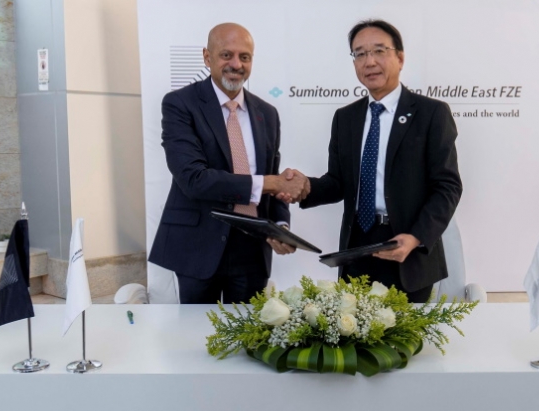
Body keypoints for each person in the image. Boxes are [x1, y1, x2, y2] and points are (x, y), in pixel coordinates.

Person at [295, 19, 462, 302]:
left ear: (400, 58)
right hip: (356, 248)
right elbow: (338, 183)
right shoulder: (345, 118)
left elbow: (447, 186)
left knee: (403, 330)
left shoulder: (431, 113)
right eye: (360, 54)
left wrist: (416, 237)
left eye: (379, 51)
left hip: (407, 249)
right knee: (353, 328)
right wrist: (304, 187)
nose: (369, 61)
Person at [149, 23, 308, 304]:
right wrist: (272, 183)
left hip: (253, 250)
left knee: (249, 330)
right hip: (198, 246)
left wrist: (281, 226)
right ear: (207, 57)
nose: (236, 64)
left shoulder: (267, 113)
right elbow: (194, 179)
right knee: (197, 330)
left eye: (244, 57)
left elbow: (271, 180)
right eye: (226, 55)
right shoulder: (180, 104)